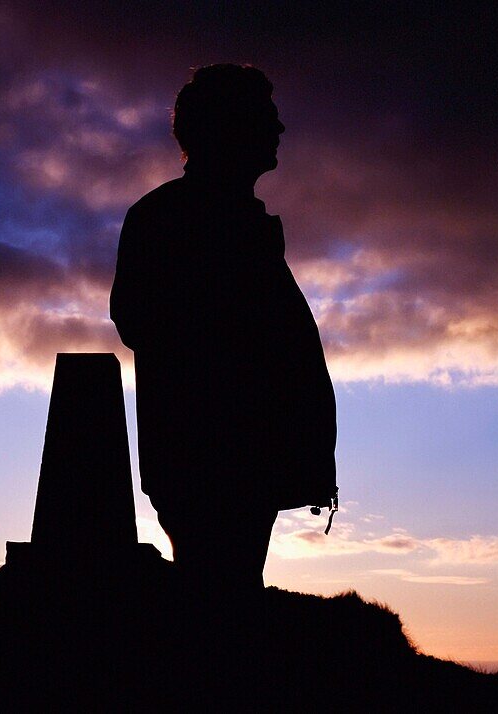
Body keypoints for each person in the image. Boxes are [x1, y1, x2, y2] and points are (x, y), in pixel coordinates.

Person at [110, 64, 337, 592]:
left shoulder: (237, 217)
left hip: (244, 456)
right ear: (229, 126)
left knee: (229, 594)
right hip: (213, 459)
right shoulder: (171, 216)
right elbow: (138, 317)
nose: (278, 130)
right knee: (220, 598)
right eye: (266, 118)